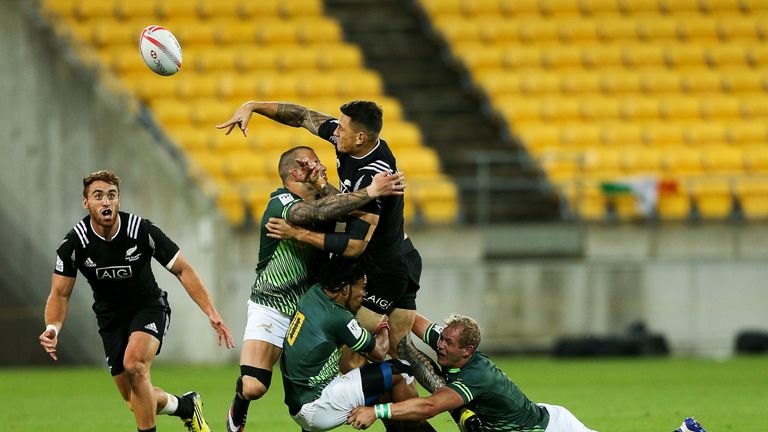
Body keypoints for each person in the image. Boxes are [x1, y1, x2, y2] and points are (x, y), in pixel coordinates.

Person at [217, 101, 442, 395]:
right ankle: (456, 404)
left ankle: (397, 414)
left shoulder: (373, 176)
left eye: (343, 127)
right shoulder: (348, 144)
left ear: (360, 137)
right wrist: (253, 107)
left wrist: (298, 234)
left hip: (383, 269)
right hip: (400, 254)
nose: (335, 131)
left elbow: (353, 245)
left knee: (352, 361)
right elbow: (301, 116)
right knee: (401, 349)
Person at [225, 146, 406, 432]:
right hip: (272, 304)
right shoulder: (280, 202)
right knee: (254, 386)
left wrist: (325, 184)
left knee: (317, 384)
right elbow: (314, 211)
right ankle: (240, 398)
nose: (320, 166)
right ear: (295, 172)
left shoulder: (327, 199)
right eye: (313, 163)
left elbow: (350, 209)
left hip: (310, 308)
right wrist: (370, 191)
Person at [38, 170, 235, 432]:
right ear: (86, 203)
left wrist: (211, 311)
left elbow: (182, 269)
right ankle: (187, 407)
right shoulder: (75, 243)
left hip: (149, 307)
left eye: (112, 195)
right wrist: (52, 328)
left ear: (119, 200)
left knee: (135, 364)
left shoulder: (141, 231)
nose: (106, 202)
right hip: (110, 318)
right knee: (136, 400)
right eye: (98, 196)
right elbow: (60, 293)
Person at [346, 313, 709, 432]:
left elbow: (429, 408)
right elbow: (415, 321)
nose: (440, 345)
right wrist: (386, 311)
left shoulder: (475, 375)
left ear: (466, 351)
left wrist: (374, 411)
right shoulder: (455, 348)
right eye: (442, 340)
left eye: (448, 343)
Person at [281, 255, 421, 432]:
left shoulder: (313, 294)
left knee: (379, 381)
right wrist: (384, 324)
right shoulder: (338, 318)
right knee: (402, 370)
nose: (364, 294)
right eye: (362, 288)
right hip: (320, 404)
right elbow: (379, 353)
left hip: (298, 404)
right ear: (345, 289)